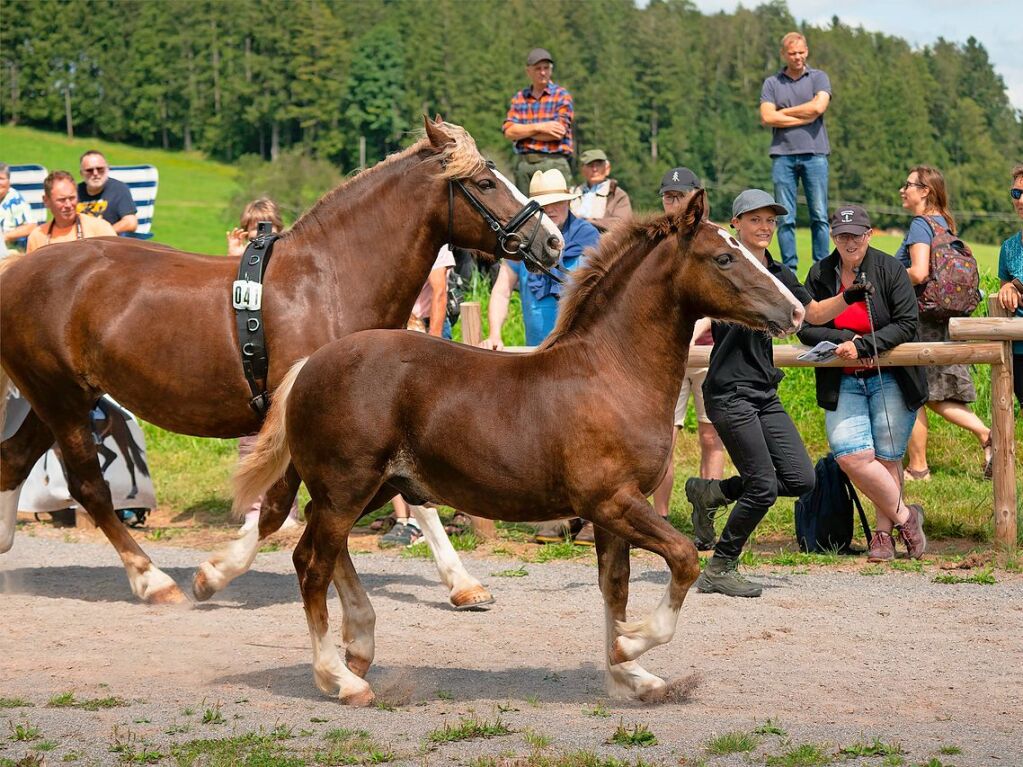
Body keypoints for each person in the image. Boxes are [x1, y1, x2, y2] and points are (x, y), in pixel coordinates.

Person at [685, 190, 872, 597]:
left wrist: (849, 296)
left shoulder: (781, 274)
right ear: (736, 224)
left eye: (771, 221)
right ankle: (720, 566)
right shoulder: (724, 271)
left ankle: (711, 492)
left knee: (800, 479)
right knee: (764, 486)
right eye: (756, 220)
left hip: (763, 391)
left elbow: (811, 316)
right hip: (729, 392)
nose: (765, 227)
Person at [798, 205, 928, 561]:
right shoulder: (820, 272)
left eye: (856, 234)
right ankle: (907, 517)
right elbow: (805, 325)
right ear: (833, 238)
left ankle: (883, 537)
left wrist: (863, 345)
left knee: (887, 457)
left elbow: (906, 322)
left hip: (890, 376)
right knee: (851, 455)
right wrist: (842, 339)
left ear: (869, 235)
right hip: (843, 381)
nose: (849, 240)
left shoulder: (889, 269)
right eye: (841, 235)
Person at [483, 168, 599, 544]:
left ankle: (596, 514)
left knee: (590, 435)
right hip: (539, 355)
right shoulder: (522, 242)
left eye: (560, 202)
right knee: (548, 437)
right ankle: (558, 513)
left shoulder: (588, 236)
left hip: (580, 354)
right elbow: (502, 290)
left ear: (569, 201)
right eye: (547, 205)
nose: (556, 209)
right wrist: (496, 332)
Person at [896, 166, 992, 481]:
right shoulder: (945, 225)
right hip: (945, 317)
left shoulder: (921, 226)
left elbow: (920, 272)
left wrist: (888, 277)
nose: (902, 190)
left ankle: (921, 467)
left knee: (917, 393)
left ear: (925, 191)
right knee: (932, 395)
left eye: (908, 185)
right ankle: (981, 437)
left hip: (922, 319)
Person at [647, 168, 725, 543]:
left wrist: (695, 329)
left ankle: (705, 520)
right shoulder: (658, 243)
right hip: (669, 358)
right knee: (666, 439)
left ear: (696, 198)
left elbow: (716, 295)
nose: (674, 202)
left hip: (708, 353)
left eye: (681, 196)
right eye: (668, 196)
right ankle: (660, 516)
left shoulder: (712, 239)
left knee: (712, 437)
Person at [231, 198, 301, 535]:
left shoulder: (287, 261)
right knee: (250, 434)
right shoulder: (239, 261)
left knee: (284, 434)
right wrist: (234, 252)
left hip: (276, 355)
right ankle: (252, 509)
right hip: (247, 357)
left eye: (267, 227)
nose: (261, 235)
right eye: (254, 228)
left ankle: (285, 510)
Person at [379, 245, 457, 548]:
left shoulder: (436, 249)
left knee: (426, 432)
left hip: (426, 331)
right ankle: (404, 519)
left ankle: (425, 516)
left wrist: (432, 345)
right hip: (398, 332)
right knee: (392, 431)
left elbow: (439, 292)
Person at [759, 31, 832, 271]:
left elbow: (819, 106)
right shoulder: (772, 83)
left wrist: (784, 113)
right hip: (783, 155)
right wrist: (806, 114)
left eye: (801, 52)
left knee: (820, 215)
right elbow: (766, 116)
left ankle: (821, 269)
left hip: (815, 154)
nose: (798, 57)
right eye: (792, 53)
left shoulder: (819, 77)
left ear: (807, 51)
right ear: (784, 54)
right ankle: (789, 271)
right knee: (785, 217)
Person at [503, 48, 574, 194]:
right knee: (525, 215)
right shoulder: (520, 97)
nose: (543, 72)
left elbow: (558, 132)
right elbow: (509, 131)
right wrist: (542, 127)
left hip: (553, 163)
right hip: (524, 165)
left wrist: (523, 132)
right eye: (538, 68)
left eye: (546, 68)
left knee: (555, 213)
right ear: (528, 71)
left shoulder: (561, 96)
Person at [26, 171, 116, 252]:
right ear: (46, 201)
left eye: (72, 198)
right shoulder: (37, 237)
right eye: (62, 200)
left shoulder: (100, 228)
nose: (68, 205)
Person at [997, 164, 1023, 407]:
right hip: (1018, 350)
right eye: (1016, 193)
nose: (1021, 200)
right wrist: (1007, 289)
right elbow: (1004, 299)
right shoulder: (1009, 248)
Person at [569, 149, 632, 232]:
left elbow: (623, 223)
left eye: (598, 165)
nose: (594, 169)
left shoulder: (617, 194)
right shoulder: (571, 193)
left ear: (607, 168)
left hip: (602, 241)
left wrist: (586, 222)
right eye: (590, 165)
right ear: (582, 170)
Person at [77, 150, 137, 235]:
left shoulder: (119, 189)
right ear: (81, 173)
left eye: (100, 169)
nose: (95, 173)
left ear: (107, 169)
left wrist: (103, 233)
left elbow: (131, 222)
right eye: (89, 170)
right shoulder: (74, 192)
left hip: (108, 243)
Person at [0, 162, 36, 256]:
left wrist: (4, 237)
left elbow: (31, 226)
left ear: (9, 181)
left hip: (10, 252)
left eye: (1, 179)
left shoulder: (15, 199)